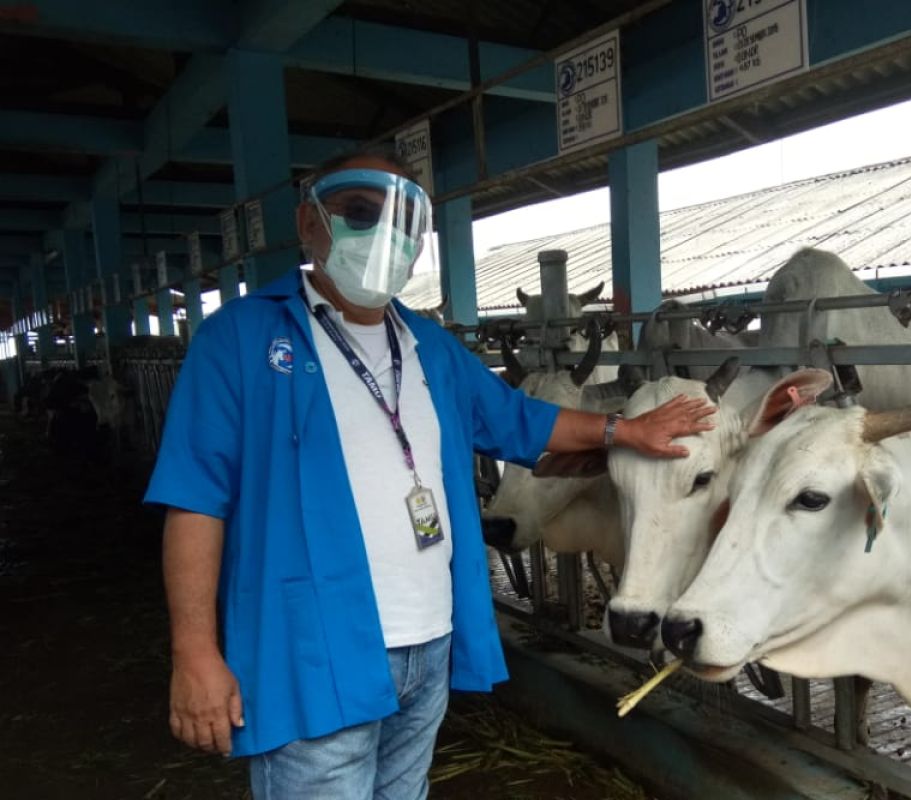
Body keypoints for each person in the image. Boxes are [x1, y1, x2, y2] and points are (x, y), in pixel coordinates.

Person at [144, 145, 714, 799]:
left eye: (404, 221)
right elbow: (194, 500)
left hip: (428, 640)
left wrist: (623, 431)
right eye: (360, 212)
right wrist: (195, 651)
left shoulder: (428, 345)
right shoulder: (240, 340)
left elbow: (522, 421)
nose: (384, 235)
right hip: (312, 647)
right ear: (309, 225)